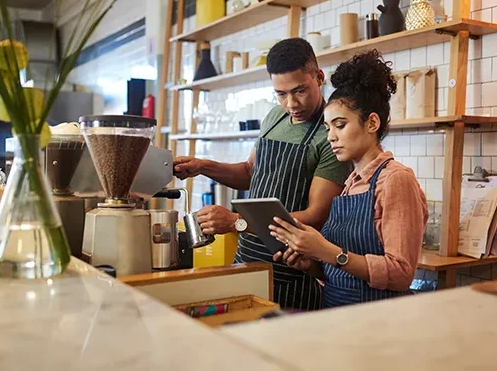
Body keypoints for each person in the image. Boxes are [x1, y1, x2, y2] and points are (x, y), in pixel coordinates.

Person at [173, 38, 352, 310]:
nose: (291, 103)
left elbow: (316, 216)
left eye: (299, 90)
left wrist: (237, 221)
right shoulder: (274, 117)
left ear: (319, 76)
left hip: (292, 271)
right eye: (281, 94)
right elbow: (249, 173)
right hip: (247, 259)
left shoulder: (329, 135)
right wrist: (203, 166)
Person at [269, 49, 428, 308]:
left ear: (372, 123)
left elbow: (400, 274)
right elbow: (342, 273)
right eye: (328, 127)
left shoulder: (395, 180)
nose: (331, 136)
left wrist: (325, 250)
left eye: (340, 125)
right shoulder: (350, 184)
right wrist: (311, 265)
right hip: (336, 314)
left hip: (377, 320)